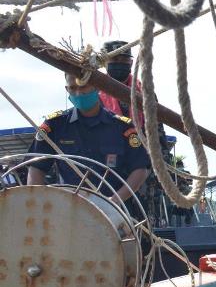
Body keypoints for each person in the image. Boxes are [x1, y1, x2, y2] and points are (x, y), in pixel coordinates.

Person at [27, 72, 150, 203]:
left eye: (83, 86)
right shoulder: (55, 126)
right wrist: (39, 203)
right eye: (73, 88)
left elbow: (140, 169)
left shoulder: (122, 128)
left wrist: (114, 201)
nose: (79, 93)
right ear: (67, 89)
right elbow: (36, 167)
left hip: (113, 212)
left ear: (97, 87)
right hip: (67, 210)